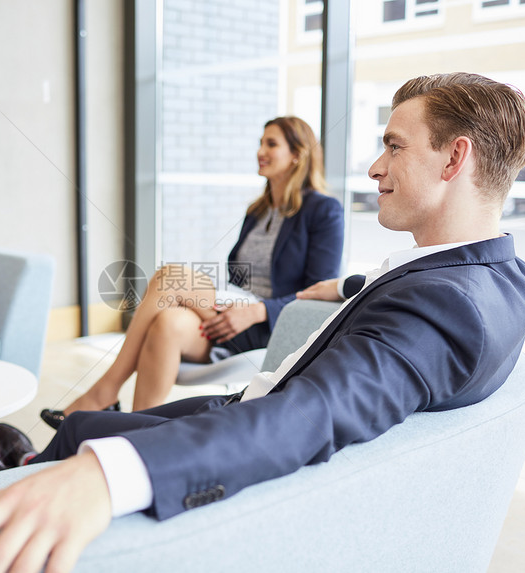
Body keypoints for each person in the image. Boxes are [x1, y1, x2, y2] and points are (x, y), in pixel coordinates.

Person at [0, 72, 525, 573]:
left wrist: (108, 475)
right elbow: (403, 307)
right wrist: (352, 285)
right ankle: (38, 449)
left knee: (93, 432)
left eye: (395, 145)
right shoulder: (504, 277)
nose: (377, 167)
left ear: (455, 157)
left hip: (254, 402)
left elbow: (314, 414)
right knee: (94, 412)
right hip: (251, 368)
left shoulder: (443, 307)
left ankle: (2, 470)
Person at [39, 116, 343, 429]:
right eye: (260, 142)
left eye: (271, 143)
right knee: (168, 322)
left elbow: (318, 292)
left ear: (298, 154)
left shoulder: (323, 210)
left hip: (269, 325)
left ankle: (104, 391)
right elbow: (238, 275)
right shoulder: (258, 211)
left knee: (171, 277)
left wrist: (258, 310)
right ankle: (134, 432)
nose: (260, 150)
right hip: (231, 313)